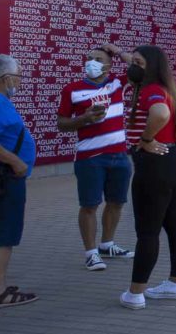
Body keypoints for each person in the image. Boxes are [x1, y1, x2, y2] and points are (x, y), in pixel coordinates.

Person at [119, 45, 176, 310]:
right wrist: (175, 137)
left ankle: (135, 293)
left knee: (148, 231)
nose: (133, 66)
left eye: (139, 62)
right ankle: (175, 284)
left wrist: (147, 139)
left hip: (154, 164)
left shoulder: (151, 91)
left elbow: (160, 113)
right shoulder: (172, 89)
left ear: (151, 66)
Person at [57, 45, 135, 271]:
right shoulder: (72, 89)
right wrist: (84, 119)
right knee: (89, 205)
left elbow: (139, 66)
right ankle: (91, 253)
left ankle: (107, 244)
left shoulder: (117, 84)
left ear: (109, 65)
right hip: (90, 157)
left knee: (117, 202)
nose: (91, 62)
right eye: (89, 58)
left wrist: (117, 50)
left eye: (98, 59)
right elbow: (62, 124)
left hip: (119, 155)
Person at [0, 54, 38, 310]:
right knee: (1, 235)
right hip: (0, 178)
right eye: (19, 76)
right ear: (6, 78)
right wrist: (15, 161)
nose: (21, 81)